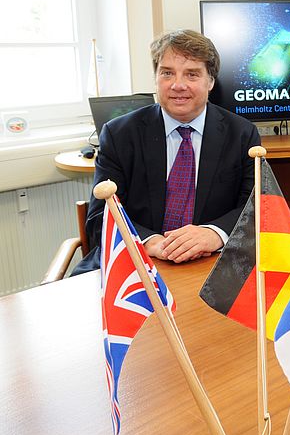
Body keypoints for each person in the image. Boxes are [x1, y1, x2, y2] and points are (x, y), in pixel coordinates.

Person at [73, 29, 260, 275]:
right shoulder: (119, 134)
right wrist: (150, 242)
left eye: (192, 74)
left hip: (210, 265)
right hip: (134, 263)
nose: (177, 85)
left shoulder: (242, 134)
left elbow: (256, 208)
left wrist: (214, 233)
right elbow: (101, 217)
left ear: (211, 81)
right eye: (167, 73)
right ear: (156, 78)